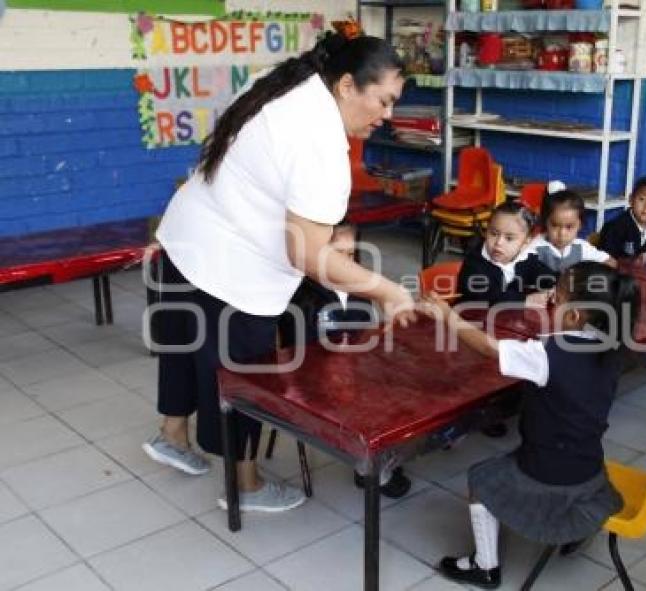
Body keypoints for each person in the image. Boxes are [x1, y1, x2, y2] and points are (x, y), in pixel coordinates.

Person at [142, 33, 416, 513]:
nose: (387, 115)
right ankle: (245, 486)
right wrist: (386, 291)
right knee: (245, 379)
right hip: (234, 276)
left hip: (183, 241)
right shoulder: (322, 145)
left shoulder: (285, 83)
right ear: (348, 85)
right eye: (384, 100)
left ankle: (173, 435)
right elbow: (306, 256)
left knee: (184, 347)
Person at [420, 262, 640, 588]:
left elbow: (488, 348)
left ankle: (485, 566)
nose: (552, 300)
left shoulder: (548, 353)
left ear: (575, 315)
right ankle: (578, 528)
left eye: (557, 297)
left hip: (550, 470)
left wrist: (447, 316)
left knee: (479, 481)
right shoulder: (612, 346)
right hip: (588, 466)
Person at [277, 222, 412, 498]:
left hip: (352, 372)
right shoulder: (300, 297)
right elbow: (302, 357)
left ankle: (383, 453)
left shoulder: (361, 292)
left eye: (350, 256)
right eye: (335, 256)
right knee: (368, 399)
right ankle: (370, 468)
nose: (344, 264)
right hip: (316, 379)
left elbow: (367, 335)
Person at [458, 201, 551, 307]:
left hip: (508, 319)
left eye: (509, 238)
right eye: (494, 234)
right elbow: (487, 296)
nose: (499, 242)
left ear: (526, 241)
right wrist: (524, 300)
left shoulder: (526, 257)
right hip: (470, 319)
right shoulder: (474, 263)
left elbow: (545, 275)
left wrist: (555, 288)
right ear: (486, 230)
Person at [529, 181, 615, 280]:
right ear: (545, 222)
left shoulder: (582, 247)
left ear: (580, 225)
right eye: (555, 225)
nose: (562, 233)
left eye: (569, 227)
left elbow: (609, 261)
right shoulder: (535, 248)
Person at [599, 175, 646, 260]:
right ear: (631, 199)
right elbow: (606, 260)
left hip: (640, 272)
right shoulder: (615, 227)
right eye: (642, 199)